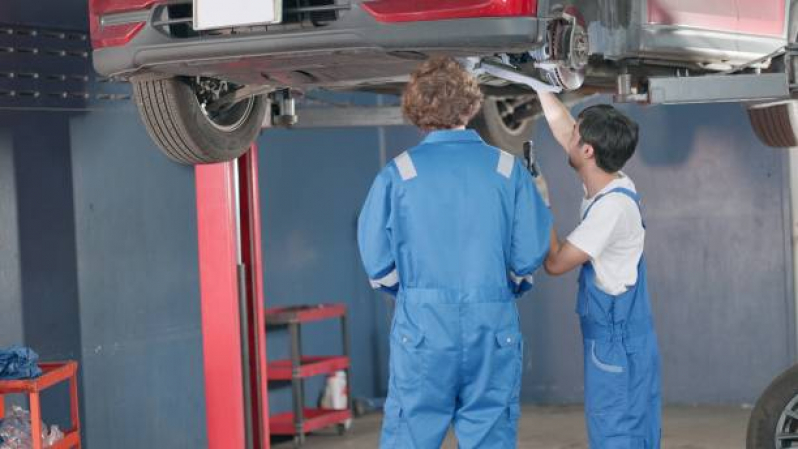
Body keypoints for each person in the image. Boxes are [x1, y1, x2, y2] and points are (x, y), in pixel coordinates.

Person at [357, 56, 552, 448]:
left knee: (410, 434)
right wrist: (506, 283)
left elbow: (377, 259)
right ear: (472, 105)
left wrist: (410, 292)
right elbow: (529, 252)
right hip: (491, 322)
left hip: (423, 327)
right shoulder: (507, 168)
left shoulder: (399, 172)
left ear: (415, 111)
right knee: (490, 434)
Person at [538, 91, 661, 448]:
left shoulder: (609, 212)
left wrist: (541, 199)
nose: (569, 137)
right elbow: (565, 130)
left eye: (577, 135)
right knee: (635, 434)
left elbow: (555, 263)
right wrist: (537, 87)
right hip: (628, 342)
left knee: (617, 436)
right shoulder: (613, 182)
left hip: (615, 346)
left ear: (588, 150)